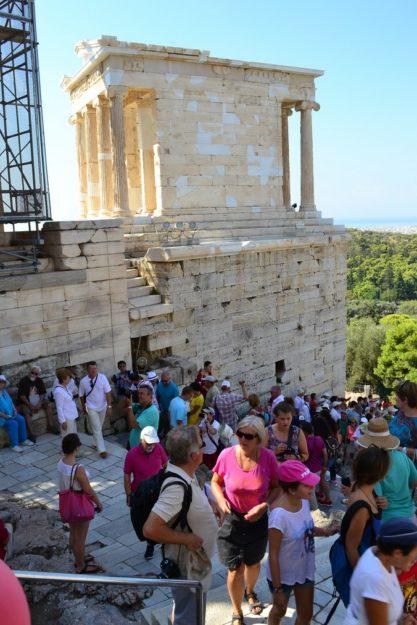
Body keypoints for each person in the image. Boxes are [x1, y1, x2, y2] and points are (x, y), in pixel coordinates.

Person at [143, 426, 218, 625]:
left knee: (187, 610)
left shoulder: (185, 472)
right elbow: (150, 528)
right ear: (194, 455)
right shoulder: (176, 488)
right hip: (188, 565)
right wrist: (188, 539)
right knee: (190, 617)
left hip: (193, 564)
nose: (203, 449)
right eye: (201, 446)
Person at [211, 416, 280, 624]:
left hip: (257, 519)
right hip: (232, 518)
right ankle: (236, 611)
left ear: (258, 439)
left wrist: (264, 505)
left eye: (248, 436)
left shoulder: (268, 458)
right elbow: (215, 481)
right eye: (239, 434)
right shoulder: (226, 455)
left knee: (253, 563)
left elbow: (276, 488)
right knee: (235, 569)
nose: (242, 439)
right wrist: (220, 499)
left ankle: (250, 592)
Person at [267, 460, 337, 625]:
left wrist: (324, 531)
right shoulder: (278, 517)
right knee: (279, 610)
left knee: (306, 615)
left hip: (304, 568)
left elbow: (307, 529)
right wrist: (277, 589)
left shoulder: (304, 502)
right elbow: (273, 555)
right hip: (282, 576)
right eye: (307, 486)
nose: (312, 489)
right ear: (291, 489)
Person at [345, 518, 417, 625]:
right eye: (413, 556)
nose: (414, 560)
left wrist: (399, 618)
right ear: (397, 553)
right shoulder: (374, 579)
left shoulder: (381, 555)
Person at [57, 433, 103, 573]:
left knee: (73, 534)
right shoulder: (78, 469)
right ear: (77, 448)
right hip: (79, 505)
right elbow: (88, 490)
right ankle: (80, 565)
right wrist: (98, 503)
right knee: (80, 538)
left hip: (68, 503)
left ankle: (78, 559)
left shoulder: (61, 463)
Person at [357, 418, 417, 523]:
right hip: (410, 517)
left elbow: (375, 499)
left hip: (385, 520)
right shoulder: (402, 457)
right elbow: (414, 482)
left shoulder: (372, 463)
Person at [123, 426, 168, 560]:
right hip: (141, 494)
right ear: (141, 440)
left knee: (160, 520)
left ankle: (157, 543)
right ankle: (151, 542)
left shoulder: (158, 448)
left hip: (157, 492)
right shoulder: (131, 454)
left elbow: (166, 466)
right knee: (142, 521)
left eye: (153, 443)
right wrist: (129, 494)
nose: (151, 446)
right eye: (148, 443)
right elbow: (126, 476)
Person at [79, 361, 112, 458]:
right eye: (91, 369)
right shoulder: (83, 381)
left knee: (99, 426)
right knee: (97, 428)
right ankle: (102, 450)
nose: (94, 370)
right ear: (87, 370)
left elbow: (108, 392)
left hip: (102, 406)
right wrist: (83, 407)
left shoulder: (102, 378)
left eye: (95, 368)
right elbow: (81, 396)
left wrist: (109, 406)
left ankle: (94, 442)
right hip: (91, 407)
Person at [17, 365, 57, 438]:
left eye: (36, 374)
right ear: (29, 372)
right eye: (32, 372)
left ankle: (51, 426)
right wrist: (30, 405)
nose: (33, 375)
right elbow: (22, 396)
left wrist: (40, 403)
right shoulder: (23, 381)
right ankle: (31, 433)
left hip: (37, 400)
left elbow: (42, 393)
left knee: (48, 405)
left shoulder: (39, 380)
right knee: (26, 412)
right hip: (26, 402)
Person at [300, 421, 331, 507]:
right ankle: (328, 499)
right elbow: (325, 454)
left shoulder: (305, 443)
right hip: (320, 469)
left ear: (305, 432)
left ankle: (315, 511)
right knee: (323, 482)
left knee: (311, 493)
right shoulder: (319, 439)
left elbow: (303, 458)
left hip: (310, 471)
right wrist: (324, 466)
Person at [0, 375, 33, 453]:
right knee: (13, 424)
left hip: (11, 414)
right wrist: (4, 416)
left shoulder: (4, 391)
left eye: (2, 383)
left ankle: (23, 439)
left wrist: (14, 410)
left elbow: (11, 402)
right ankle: (14, 445)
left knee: (21, 419)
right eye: (0, 383)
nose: (1, 384)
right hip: (2, 417)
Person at [389, 380, 417, 462]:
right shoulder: (401, 412)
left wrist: (399, 449)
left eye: (396, 395)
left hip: (409, 471)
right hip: (393, 464)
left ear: (405, 399)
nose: (395, 398)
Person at [314, 406, 339, 483]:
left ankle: (322, 481)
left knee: (325, 467)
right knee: (333, 463)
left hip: (328, 448)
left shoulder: (321, 426)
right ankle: (333, 479)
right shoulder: (331, 421)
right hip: (333, 443)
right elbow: (336, 431)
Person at [54, 368, 79, 436]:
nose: (70, 379)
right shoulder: (58, 391)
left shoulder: (66, 388)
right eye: (68, 377)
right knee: (68, 438)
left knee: (73, 437)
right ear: (63, 379)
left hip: (71, 416)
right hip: (67, 418)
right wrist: (62, 421)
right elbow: (59, 407)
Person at [156, 370, 179, 438]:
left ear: (170, 379)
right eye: (162, 381)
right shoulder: (159, 385)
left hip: (171, 411)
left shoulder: (174, 388)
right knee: (162, 423)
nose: (164, 382)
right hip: (162, 409)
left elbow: (176, 401)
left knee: (169, 426)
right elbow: (158, 396)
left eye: (166, 381)